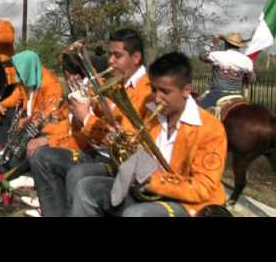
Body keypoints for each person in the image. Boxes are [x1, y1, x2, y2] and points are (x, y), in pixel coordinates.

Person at [70, 52, 227, 217]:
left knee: (137, 215)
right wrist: (119, 144)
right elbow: (130, 144)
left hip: (190, 204)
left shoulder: (211, 128)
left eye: (165, 91)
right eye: (153, 89)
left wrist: (151, 180)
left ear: (186, 90)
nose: (157, 98)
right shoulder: (150, 113)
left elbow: (203, 188)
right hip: (149, 193)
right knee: (87, 188)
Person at [29, 29, 153, 216]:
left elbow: (123, 139)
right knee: (42, 157)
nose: (110, 61)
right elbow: (95, 128)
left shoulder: (147, 90)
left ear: (136, 57)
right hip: (101, 154)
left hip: (123, 163)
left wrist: (86, 117)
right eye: (110, 54)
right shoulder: (118, 83)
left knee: (78, 174)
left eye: (117, 55)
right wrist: (52, 139)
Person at [198, 33, 255, 109]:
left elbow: (202, 56)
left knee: (196, 110)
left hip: (218, 94)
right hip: (239, 94)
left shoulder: (217, 55)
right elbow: (252, 79)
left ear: (226, 44)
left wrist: (212, 44)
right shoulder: (248, 60)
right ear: (239, 46)